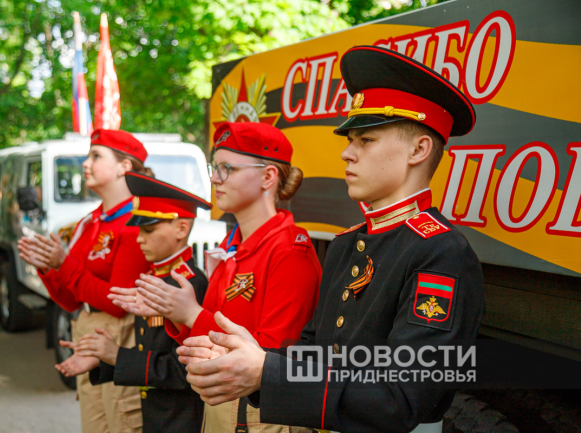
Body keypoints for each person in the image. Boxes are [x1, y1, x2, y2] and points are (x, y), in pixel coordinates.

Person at [177, 45, 486, 433]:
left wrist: (267, 372)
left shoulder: (440, 252)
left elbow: (402, 396)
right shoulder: (346, 245)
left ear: (419, 149)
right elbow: (316, 354)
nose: (347, 154)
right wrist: (251, 358)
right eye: (350, 140)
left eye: (366, 140)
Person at [128, 122, 322, 433]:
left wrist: (190, 313)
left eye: (226, 169)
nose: (215, 178)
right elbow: (208, 332)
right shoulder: (233, 246)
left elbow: (272, 357)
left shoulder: (288, 250)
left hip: (262, 415)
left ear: (268, 177)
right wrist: (175, 312)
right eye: (214, 168)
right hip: (225, 404)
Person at [17, 129, 150, 433]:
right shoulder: (90, 222)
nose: (85, 164)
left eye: (96, 156)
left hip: (120, 340)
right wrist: (47, 268)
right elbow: (70, 300)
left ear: (124, 167)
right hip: (88, 332)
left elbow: (118, 303)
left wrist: (63, 264)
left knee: (123, 423)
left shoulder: (137, 222)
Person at [75, 172, 211, 432]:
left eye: (148, 230)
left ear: (182, 229)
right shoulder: (154, 278)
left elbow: (185, 369)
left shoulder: (189, 285)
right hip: (156, 413)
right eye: (139, 229)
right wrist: (104, 360)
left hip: (180, 418)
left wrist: (118, 356)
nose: (139, 238)